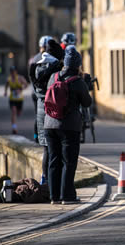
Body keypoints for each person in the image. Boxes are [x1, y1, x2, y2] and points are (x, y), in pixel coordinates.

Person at [44, 46, 92, 205]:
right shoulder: (78, 81)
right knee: (68, 161)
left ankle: (54, 196)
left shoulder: (53, 77)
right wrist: (86, 85)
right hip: (69, 126)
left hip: (49, 124)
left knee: (53, 160)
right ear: (77, 64)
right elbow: (87, 102)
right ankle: (68, 196)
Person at [33, 40, 64, 185]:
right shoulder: (54, 69)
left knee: (46, 148)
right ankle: (54, 183)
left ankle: (44, 179)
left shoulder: (38, 66)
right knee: (56, 150)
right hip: (51, 111)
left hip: (40, 109)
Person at [29, 36, 55, 143]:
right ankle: (43, 136)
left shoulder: (34, 59)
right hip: (45, 91)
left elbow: (30, 75)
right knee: (47, 114)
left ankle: (37, 136)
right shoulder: (51, 58)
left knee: (38, 114)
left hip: (35, 90)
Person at [4, 66, 28, 134]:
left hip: (20, 99)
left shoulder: (20, 78)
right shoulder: (8, 79)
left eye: (13, 71)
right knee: (13, 111)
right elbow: (6, 85)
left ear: (16, 72)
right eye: (11, 72)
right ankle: (14, 127)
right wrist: (5, 92)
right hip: (12, 98)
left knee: (18, 113)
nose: (12, 73)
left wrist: (20, 89)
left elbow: (26, 85)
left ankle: (18, 114)